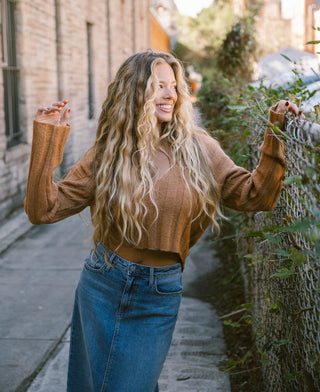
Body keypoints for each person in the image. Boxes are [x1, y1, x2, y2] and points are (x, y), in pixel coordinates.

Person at [24, 50, 299, 392]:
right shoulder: (109, 152)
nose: (171, 94)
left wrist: (275, 136)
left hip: (159, 293)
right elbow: (43, 209)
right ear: (136, 90)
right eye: (158, 85)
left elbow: (256, 194)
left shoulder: (198, 147)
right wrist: (47, 141)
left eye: (173, 86)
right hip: (103, 284)